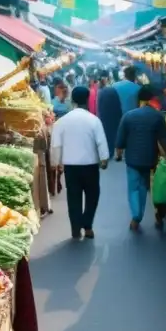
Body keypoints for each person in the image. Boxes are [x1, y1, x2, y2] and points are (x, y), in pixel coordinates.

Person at [51, 85, 109, 241]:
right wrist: (104, 159)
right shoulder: (94, 120)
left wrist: (55, 162)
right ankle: (88, 225)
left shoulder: (62, 122)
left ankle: (75, 229)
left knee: (73, 197)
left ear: (73, 100)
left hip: (70, 167)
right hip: (90, 166)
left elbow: (55, 143)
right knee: (93, 196)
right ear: (87, 99)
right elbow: (101, 142)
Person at [115, 85, 166, 232]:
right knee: (149, 187)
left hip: (133, 160)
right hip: (151, 160)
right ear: (153, 99)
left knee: (134, 188)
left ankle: (136, 216)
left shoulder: (128, 116)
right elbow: (165, 140)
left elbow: (120, 141)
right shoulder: (158, 116)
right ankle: (157, 215)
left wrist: (118, 155)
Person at [97, 69, 122, 152]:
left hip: (104, 117)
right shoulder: (112, 90)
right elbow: (118, 105)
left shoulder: (100, 92)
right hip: (114, 116)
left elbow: (99, 107)